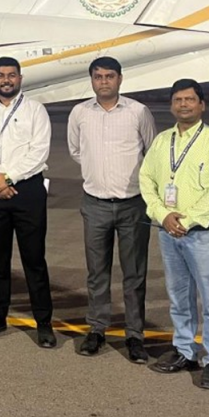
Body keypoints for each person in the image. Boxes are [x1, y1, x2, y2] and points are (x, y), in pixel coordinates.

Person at [139, 79, 209, 390]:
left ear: (201, 105)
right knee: (179, 297)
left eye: (190, 99)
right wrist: (163, 214)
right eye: (178, 99)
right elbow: (146, 180)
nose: (183, 104)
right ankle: (184, 350)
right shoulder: (161, 141)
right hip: (169, 232)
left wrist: (187, 220)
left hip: (204, 234)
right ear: (171, 105)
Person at [67, 56, 156, 362]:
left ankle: (135, 335)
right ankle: (97, 329)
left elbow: (150, 150)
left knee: (134, 274)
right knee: (97, 272)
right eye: (98, 77)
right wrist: (98, 172)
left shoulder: (138, 111)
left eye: (109, 76)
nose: (103, 81)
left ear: (120, 79)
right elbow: (76, 150)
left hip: (133, 204)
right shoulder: (80, 113)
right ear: (91, 80)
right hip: (95, 204)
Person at [0, 57, 56, 347]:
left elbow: (39, 151)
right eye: (0, 75)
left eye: (11, 75)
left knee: (34, 259)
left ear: (20, 78)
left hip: (27, 190)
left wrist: (9, 177)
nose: (6, 80)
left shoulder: (35, 110)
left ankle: (43, 322)